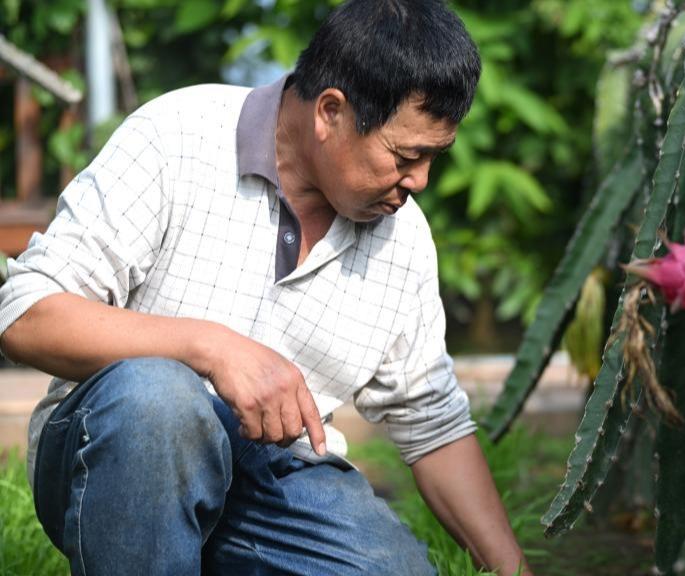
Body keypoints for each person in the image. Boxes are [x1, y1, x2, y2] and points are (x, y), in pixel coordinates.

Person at [0, 0, 532, 574]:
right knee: (158, 397)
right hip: (113, 455)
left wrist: (514, 571)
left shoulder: (404, 241)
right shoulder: (176, 136)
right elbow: (26, 313)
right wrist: (211, 346)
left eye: (435, 158)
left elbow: (433, 423)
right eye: (408, 155)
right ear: (330, 112)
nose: (421, 180)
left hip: (278, 477)